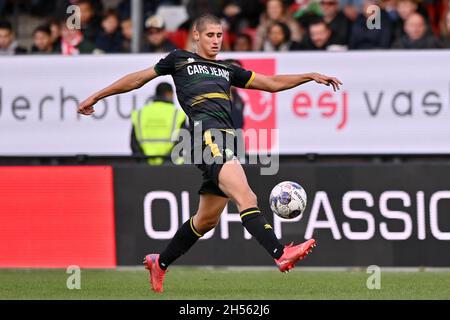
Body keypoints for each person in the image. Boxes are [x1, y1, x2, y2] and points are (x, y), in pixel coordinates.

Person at [78, 14, 342, 293]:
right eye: (210, 35)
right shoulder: (179, 60)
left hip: (226, 140)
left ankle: (161, 262)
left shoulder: (228, 70)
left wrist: (309, 76)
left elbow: (272, 83)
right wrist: (97, 96)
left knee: (205, 221)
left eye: (219, 36)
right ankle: (280, 253)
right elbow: (138, 79)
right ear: (196, 35)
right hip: (207, 138)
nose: (216, 41)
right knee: (247, 196)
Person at [130, 82, 186, 165]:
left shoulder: (140, 113)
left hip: (145, 167)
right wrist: (167, 163)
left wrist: (143, 162)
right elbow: (182, 143)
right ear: (169, 94)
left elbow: (134, 143)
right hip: (170, 168)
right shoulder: (178, 114)